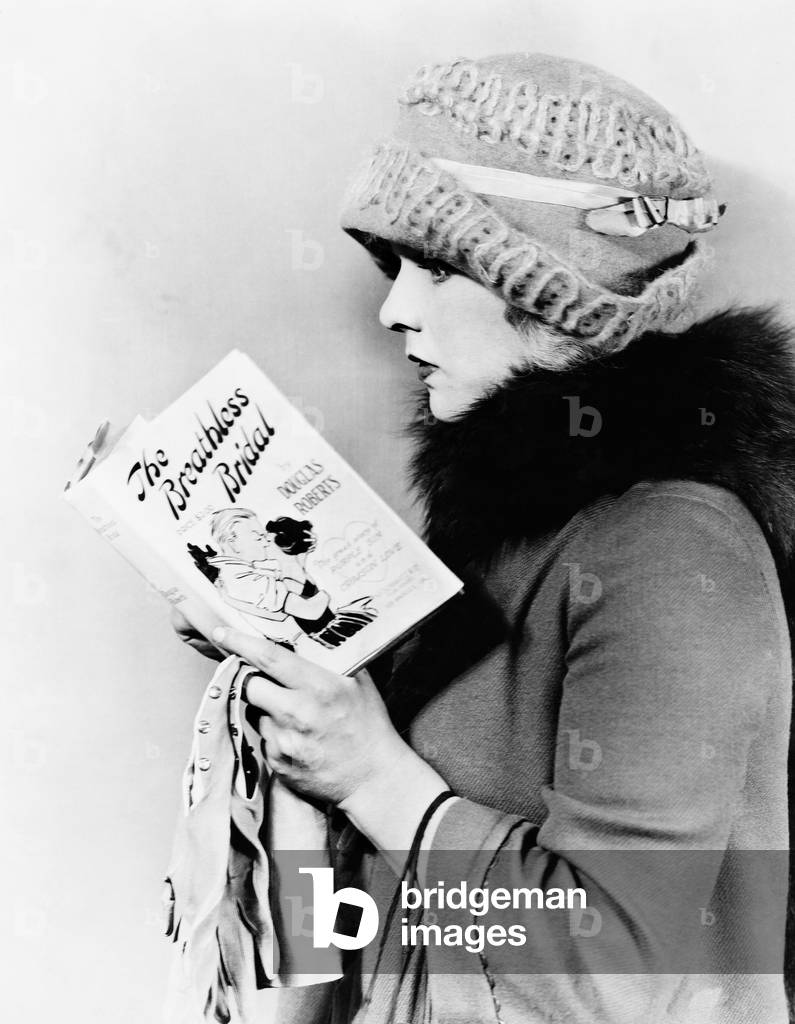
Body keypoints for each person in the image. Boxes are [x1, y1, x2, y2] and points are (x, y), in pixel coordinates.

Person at [172, 52, 795, 1022]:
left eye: (437, 265)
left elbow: (611, 974)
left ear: (554, 299)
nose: (393, 309)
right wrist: (297, 735)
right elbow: (348, 943)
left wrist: (377, 777)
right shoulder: (509, 527)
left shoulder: (676, 552)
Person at [265, 515, 379, 649]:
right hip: (330, 636)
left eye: (268, 542)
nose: (264, 545)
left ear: (284, 545)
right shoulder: (294, 573)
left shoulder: (290, 578)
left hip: (333, 635)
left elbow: (313, 612)